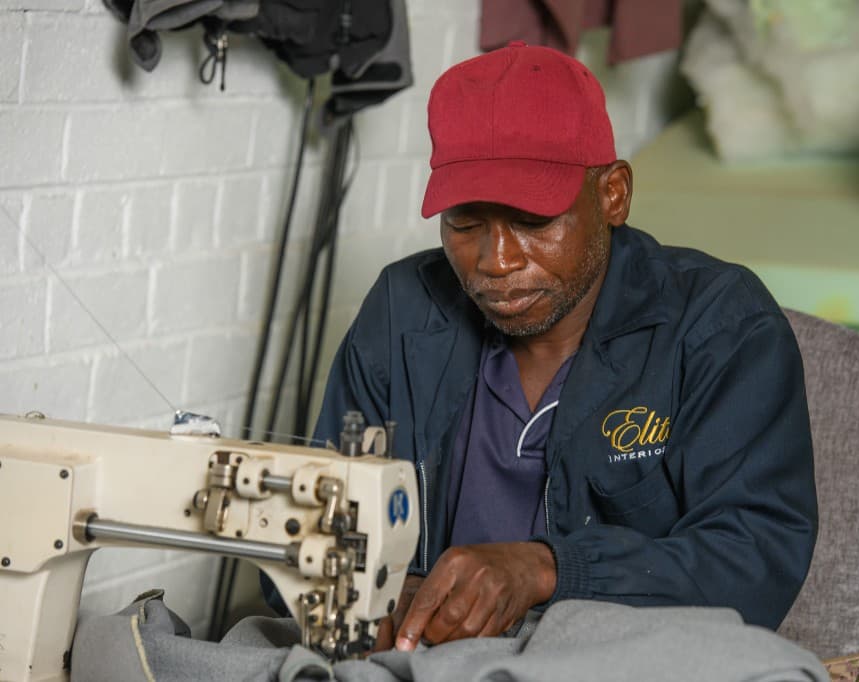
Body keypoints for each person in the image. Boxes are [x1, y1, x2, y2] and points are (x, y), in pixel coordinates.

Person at [313, 41, 817, 653]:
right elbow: (312, 534)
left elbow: (756, 560)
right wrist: (378, 593)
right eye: (466, 223)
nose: (496, 261)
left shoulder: (720, 326)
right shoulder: (403, 311)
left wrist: (546, 568)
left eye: (532, 221)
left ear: (613, 195)